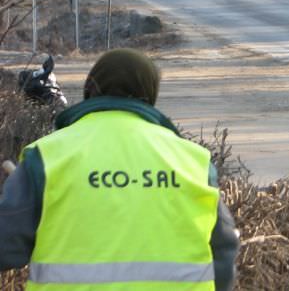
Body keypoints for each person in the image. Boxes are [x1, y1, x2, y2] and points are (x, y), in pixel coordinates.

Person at [0, 49, 240, 290]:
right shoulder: (192, 161)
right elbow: (223, 251)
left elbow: (7, 245)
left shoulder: (46, 158)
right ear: (150, 93)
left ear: (90, 90)